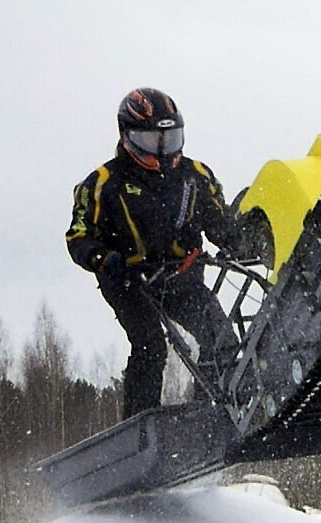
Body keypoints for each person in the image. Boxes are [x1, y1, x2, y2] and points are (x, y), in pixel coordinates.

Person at [66, 87, 240, 419]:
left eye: (170, 139)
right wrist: (107, 259)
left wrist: (235, 240)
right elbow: (79, 237)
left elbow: (219, 221)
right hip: (128, 281)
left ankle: (211, 415)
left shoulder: (197, 176)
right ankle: (138, 426)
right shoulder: (102, 183)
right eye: (152, 141)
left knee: (220, 338)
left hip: (181, 274)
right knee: (150, 346)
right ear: (127, 135)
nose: (162, 151)